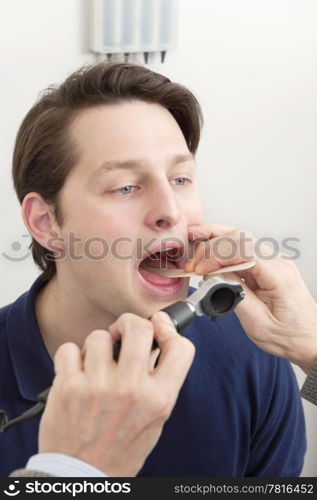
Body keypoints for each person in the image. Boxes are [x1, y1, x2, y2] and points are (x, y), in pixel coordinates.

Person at [1, 61, 306, 477]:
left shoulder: (254, 355)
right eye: (126, 186)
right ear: (45, 223)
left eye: (180, 179)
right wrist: (74, 471)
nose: (170, 211)